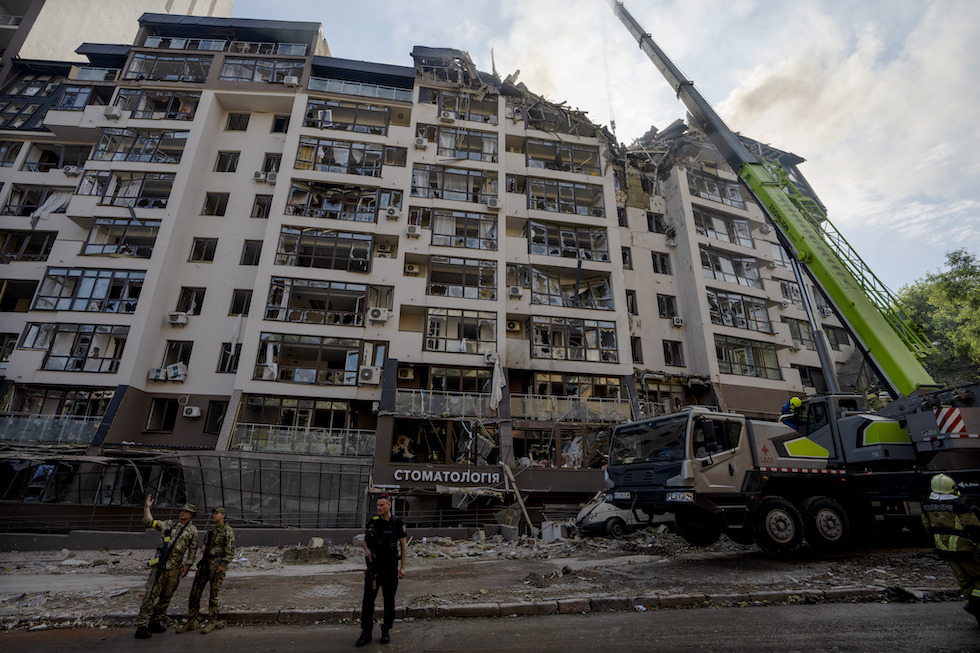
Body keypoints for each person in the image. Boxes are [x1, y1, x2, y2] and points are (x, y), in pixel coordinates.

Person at [135, 495, 199, 639]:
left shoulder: (192, 531)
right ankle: (142, 625)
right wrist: (147, 508)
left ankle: (155, 621)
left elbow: (192, 549)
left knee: (166, 597)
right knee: (150, 595)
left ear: (191, 515)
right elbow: (149, 522)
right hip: (160, 566)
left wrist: (188, 565)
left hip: (175, 569)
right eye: (182, 510)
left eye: (186, 512)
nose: (183, 513)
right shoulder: (169, 524)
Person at [921, 473, 980, 624]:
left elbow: (927, 528)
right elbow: (973, 528)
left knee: (964, 580)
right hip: (964, 548)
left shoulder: (926, 505)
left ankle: (978, 613)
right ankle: (975, 603)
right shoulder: (959, 505)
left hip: (943, 548)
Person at [355, 493, 407, 647]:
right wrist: (366, 550)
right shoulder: (374, 521)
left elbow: (403, 547)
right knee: (368, 601)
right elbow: (364, 541)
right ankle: (366, 633)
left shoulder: (397, 522)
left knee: (389, 601)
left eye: (382, 505)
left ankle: (386, 631)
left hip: (390, 569)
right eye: (377, 505)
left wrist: (403, 568)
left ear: (389, 505)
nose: (379, 508)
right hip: (374, 568)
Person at [177, 506, 235, 634]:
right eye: (214, 513)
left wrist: (223, 565)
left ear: (223, 516)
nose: (214, 515)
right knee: (195, 592)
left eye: (217, 513)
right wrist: (203, 546)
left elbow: (230, 551)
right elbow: (205, 541)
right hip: (205, 564)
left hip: (216, 566)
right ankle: (191, 620)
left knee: (214, 595)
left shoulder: (227, 531)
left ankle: (212, 621)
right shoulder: (211, 530)